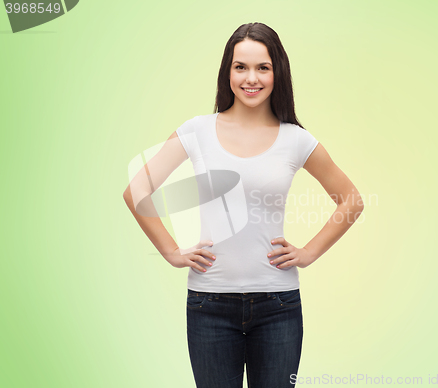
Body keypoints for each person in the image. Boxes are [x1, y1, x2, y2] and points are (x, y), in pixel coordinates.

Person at [123, 22, 364, 388]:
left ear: (276, 72)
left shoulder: (295, 139)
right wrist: (171, 251)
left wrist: (309, 252)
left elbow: (351, 200)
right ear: (228, 71)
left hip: (278, 306)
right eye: (241, 67)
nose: (251, 78)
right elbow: (137, 189)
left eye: (262, 67)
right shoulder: (197, 130)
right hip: (209, 306)